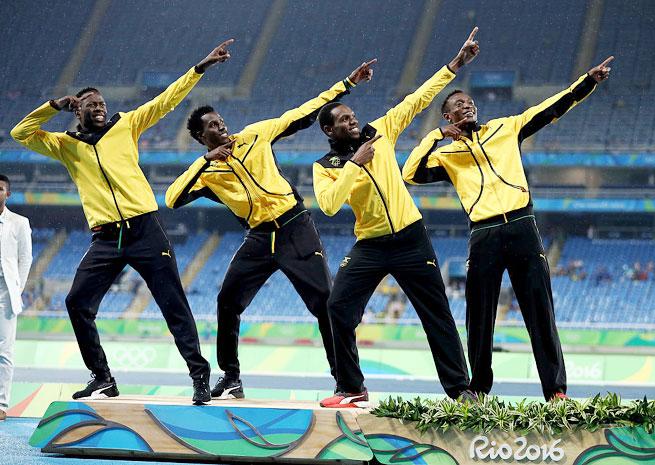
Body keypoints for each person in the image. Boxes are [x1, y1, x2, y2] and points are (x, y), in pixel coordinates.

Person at [10, 39, 236, 405]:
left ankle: (199, 376)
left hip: (146, 229)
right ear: (77, 108)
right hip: (105, 238)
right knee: (76, 302)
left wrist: (201, 66)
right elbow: (20, 133)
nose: (100, 107)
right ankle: (102, 377)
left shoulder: (126, 125)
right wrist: (53, 105)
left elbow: (167, 101)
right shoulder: (64, 144)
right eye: (91, 103)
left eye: (102, 103)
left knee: (173, 304)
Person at [403, 56, 614, 401]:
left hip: (522, 227)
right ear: (448, 117)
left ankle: (555, 391)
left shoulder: (506, 127)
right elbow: (410, 173)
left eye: (470, 103)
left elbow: (550, 108)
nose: (468, 107)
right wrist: (435, 137)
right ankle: (479, 389)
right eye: (459, 105)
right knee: (479, 315)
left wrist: (586, 82)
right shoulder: (448, 156)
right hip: (483, 235)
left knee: (540, 309)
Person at [166, 59, 377, 399]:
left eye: (221, 122)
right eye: (212, 128)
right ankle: (231, 377)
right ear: (199, 137)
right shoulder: (206, 172)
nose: (222, 129)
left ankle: (349, 384)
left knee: (326, 303)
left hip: (295, 226)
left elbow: (302, 113)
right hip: (259, 238)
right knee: (227, 301)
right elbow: (173, 198)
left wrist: (346, 84)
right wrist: (206, 161)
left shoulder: (255, 135)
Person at [313, 28, 481, 408]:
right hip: (370, 245)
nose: (353, 121)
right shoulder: (325, 166)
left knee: (436, 312)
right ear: (329, 129)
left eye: (353, 116)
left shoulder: (381, 130)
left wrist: (455, 65)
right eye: (343, 119)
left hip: (410, 237)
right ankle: (352, 386)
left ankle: (461, 390)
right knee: (338, 307)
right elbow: (328, 205)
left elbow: (418, 100)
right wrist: (355, 166)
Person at [0, 175, 32, 420]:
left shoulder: (19, 223)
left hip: (5, 292)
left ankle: (1, 405)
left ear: (7, 194)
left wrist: (16, 290)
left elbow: (25, 259)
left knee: (4, 352)